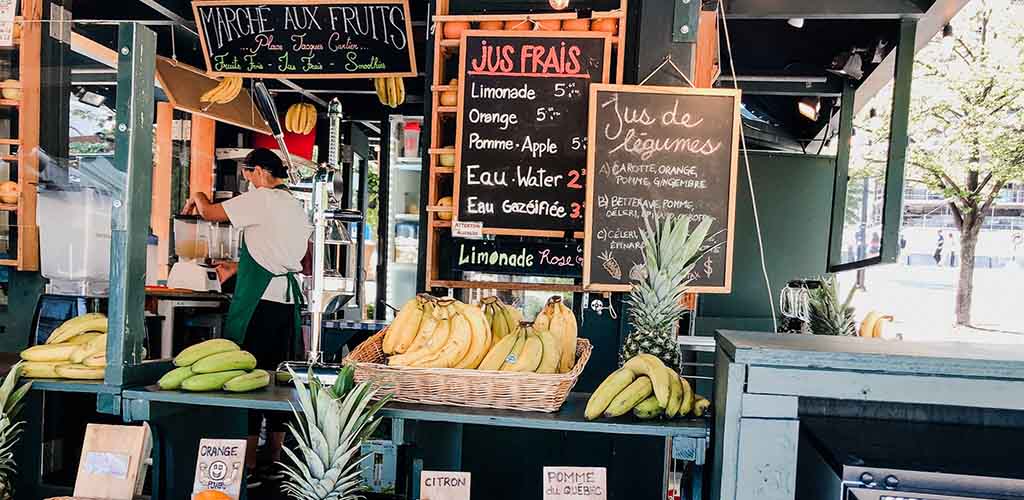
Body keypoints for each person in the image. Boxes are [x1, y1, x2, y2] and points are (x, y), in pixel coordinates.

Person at [183, 148, 312, 488]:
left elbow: (211, 214)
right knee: (278, 380)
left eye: (247, 176)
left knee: (248, 378)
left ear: (257, 172)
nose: (247, 183)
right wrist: (240, 267)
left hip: (260, 304)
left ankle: (249, 464)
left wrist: (196, 194)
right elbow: (288, 256)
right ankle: (274, 459)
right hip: (285, 303)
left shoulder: (261, 199)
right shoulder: (294, 205)